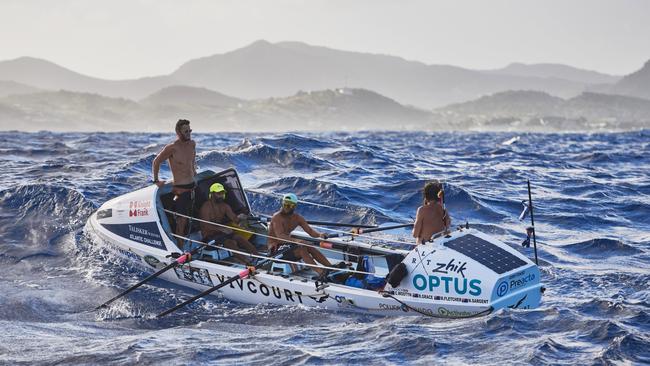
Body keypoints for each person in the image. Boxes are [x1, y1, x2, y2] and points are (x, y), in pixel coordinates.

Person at [152, 119, 197, 250]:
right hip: (180, 190)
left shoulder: (192, 144)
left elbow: (191, 160)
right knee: (181, 222)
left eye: (190, 131)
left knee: (192, 218)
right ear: (178, 132)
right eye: (185, 131)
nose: (189, 134)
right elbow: (156, 162)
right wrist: (156, 180)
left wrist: (194, 171)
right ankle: (180, 249)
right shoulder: (172, 148)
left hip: (192, 187)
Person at [268, 193, 332, 277]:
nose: (285, 207)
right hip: (275, 251)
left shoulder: (297, 218)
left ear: (294, 206)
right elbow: (280, 236)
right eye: (285, 204)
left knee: (308, 246)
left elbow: (310, 231)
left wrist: (320, 235)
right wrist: (297, 241)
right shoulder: (277, 217)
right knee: (302, 249)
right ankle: (321, 272)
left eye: (289, 205)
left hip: (287, 246)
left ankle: (330, 267)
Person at [199, 183, 259, 265]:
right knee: (230, 242)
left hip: (222, 232)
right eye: (218, 193)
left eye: (222, 193)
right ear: (212, 194)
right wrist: (222, 229)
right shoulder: (206, 207)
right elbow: (205, 225)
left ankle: (258, 257)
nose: (221, 195)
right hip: (209, 236)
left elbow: (235, 219)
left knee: (239, 237)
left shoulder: (225, 206)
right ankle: (248, 263)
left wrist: (240, 217)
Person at [412, 180, 451, 245]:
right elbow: (448, 224)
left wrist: (414, 227)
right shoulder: (442, 208)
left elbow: (415, 235)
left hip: (425, 248)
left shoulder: (421, 210)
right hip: (439, 244)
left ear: (426, 196)